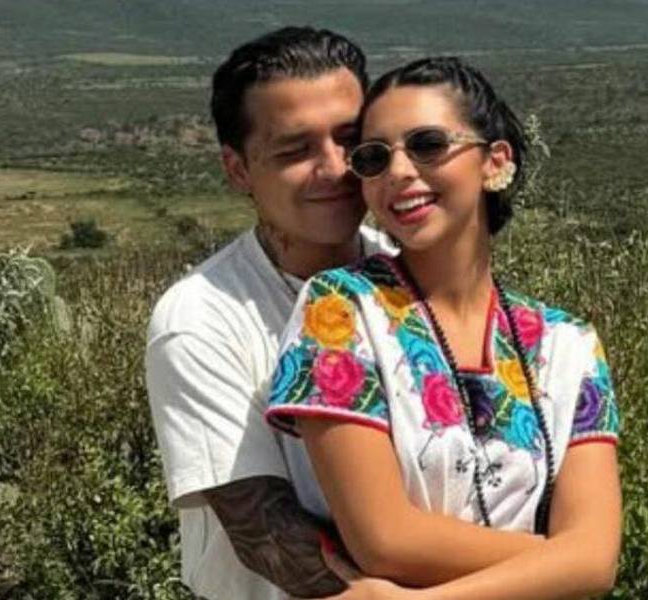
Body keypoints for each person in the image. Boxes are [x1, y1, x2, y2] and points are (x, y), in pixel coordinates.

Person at [265, 57, 622, 599]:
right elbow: (384, 540)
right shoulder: (340, 312)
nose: (399, 172)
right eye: (374, 157)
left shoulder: (567, 344)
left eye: (428, 145)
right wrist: (561, 559)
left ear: (495, 162)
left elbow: (596, 562)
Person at [145, 27, 392, 599]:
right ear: (238, 171)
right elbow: (268, 538)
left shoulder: (416, 276)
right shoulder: (200, 321)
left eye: (349, 139)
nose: (335, 167)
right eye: (294, 150)